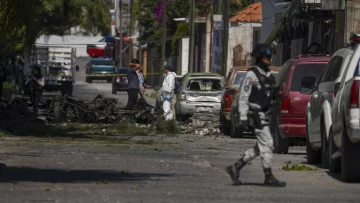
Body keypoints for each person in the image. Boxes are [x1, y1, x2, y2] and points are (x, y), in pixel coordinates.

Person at [225, 44, 286, 187]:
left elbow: (273, 93)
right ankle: (268, 175)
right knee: (268, 143)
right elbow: (244, 96)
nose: (269, 60)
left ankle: (236, 167)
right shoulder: (252, 74)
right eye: (266, 57)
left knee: (261, 147)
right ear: (259, 58)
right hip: (255, 113)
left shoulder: (268, 75)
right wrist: (244, 117)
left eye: (270, 57)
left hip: (264, 114)